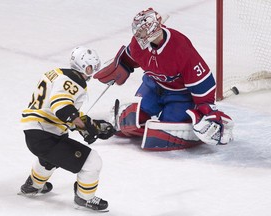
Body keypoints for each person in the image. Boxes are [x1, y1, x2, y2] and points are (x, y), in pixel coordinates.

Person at [93, 8, 234, 150]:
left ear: (152, 30)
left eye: (141, 32)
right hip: (152, 86)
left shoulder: (180, 47)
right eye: (137, 32)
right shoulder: (138, 44)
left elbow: (203, 81)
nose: (138, 36)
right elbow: (131, 57)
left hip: (180, 95)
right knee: (133, 117)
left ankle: (204, 122)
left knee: (166, 126)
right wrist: (122, 65)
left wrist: (206, 108)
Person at [19, 46, 115, 211]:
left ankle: (33, 185)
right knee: (92, 161)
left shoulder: (56, 73)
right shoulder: (73, 80)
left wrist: (93, 125)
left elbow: (62, 111)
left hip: (36, 131)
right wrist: (85, 126)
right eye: (91, 67)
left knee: (49, 158)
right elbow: (62, 108)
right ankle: (85, 198)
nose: (93, 71)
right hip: (45, 134)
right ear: (83, 66)